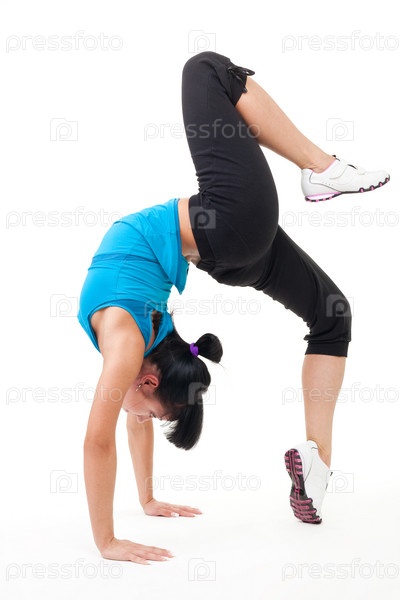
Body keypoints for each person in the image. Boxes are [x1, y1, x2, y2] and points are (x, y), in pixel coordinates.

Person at [77, 51, 390, 564]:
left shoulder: (134, 346)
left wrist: (130, 517)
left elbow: (102, 439)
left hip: (229, 244)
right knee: (203, 69)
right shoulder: (138, 347)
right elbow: (125, 421)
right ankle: (322, 168)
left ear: (150, 380)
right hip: (228, 230)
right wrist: (120, 528)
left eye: (153, 415)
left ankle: (318, 469)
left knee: (333, 316)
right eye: (152, 415)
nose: (141, 420)